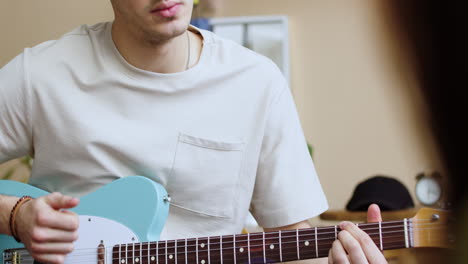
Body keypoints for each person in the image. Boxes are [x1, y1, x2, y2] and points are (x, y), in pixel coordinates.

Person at [0, 1, 387, 263]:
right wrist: (14, 215)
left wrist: (349, 252)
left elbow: (288, 234)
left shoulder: (256, 82)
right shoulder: (41, 74)